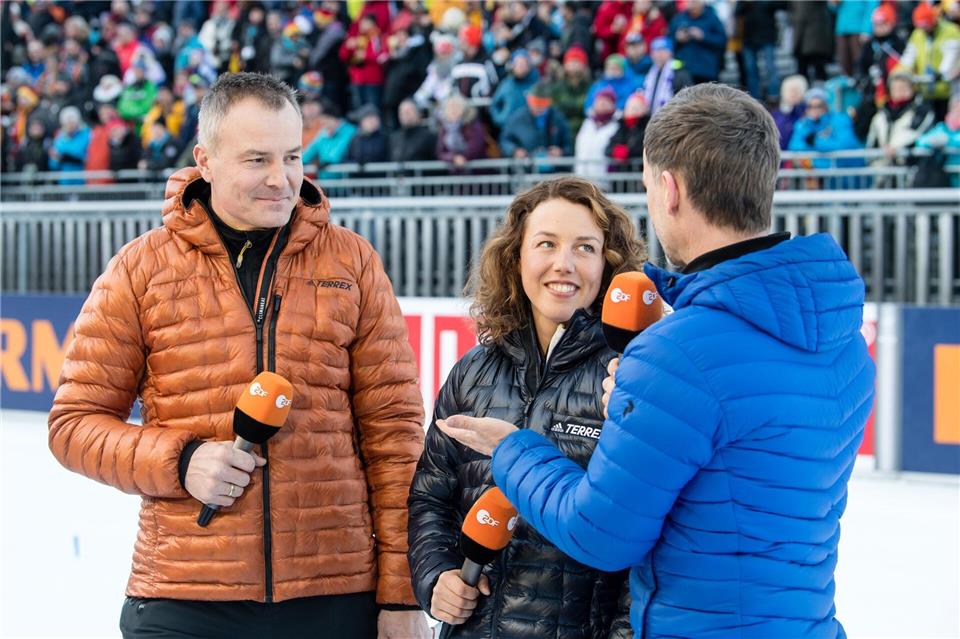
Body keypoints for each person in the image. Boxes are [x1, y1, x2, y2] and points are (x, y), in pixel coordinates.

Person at [437, 83, 875, 638]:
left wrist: (512, 449)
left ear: (668, 190)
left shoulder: (679, 351)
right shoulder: (843, 341)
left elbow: (601, 531)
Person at [48, 72, 429, 639]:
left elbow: (394, 436)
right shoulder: (140, 267)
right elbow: (73, 426)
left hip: (333, 589)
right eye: (257, 160)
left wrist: (401, 594)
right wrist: (181, 462)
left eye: (293, 157)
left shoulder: (353, 263)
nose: (282, 180)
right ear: (205, 159)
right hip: (183, 594)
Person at [408, 176, 643, 638]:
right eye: (546, 244)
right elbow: (430, 497)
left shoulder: (629, 379)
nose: (564, 264)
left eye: (585, 248)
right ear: (516, 257)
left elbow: (643, 545)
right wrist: (436, 576)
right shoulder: (473, 371)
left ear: (608, 264)